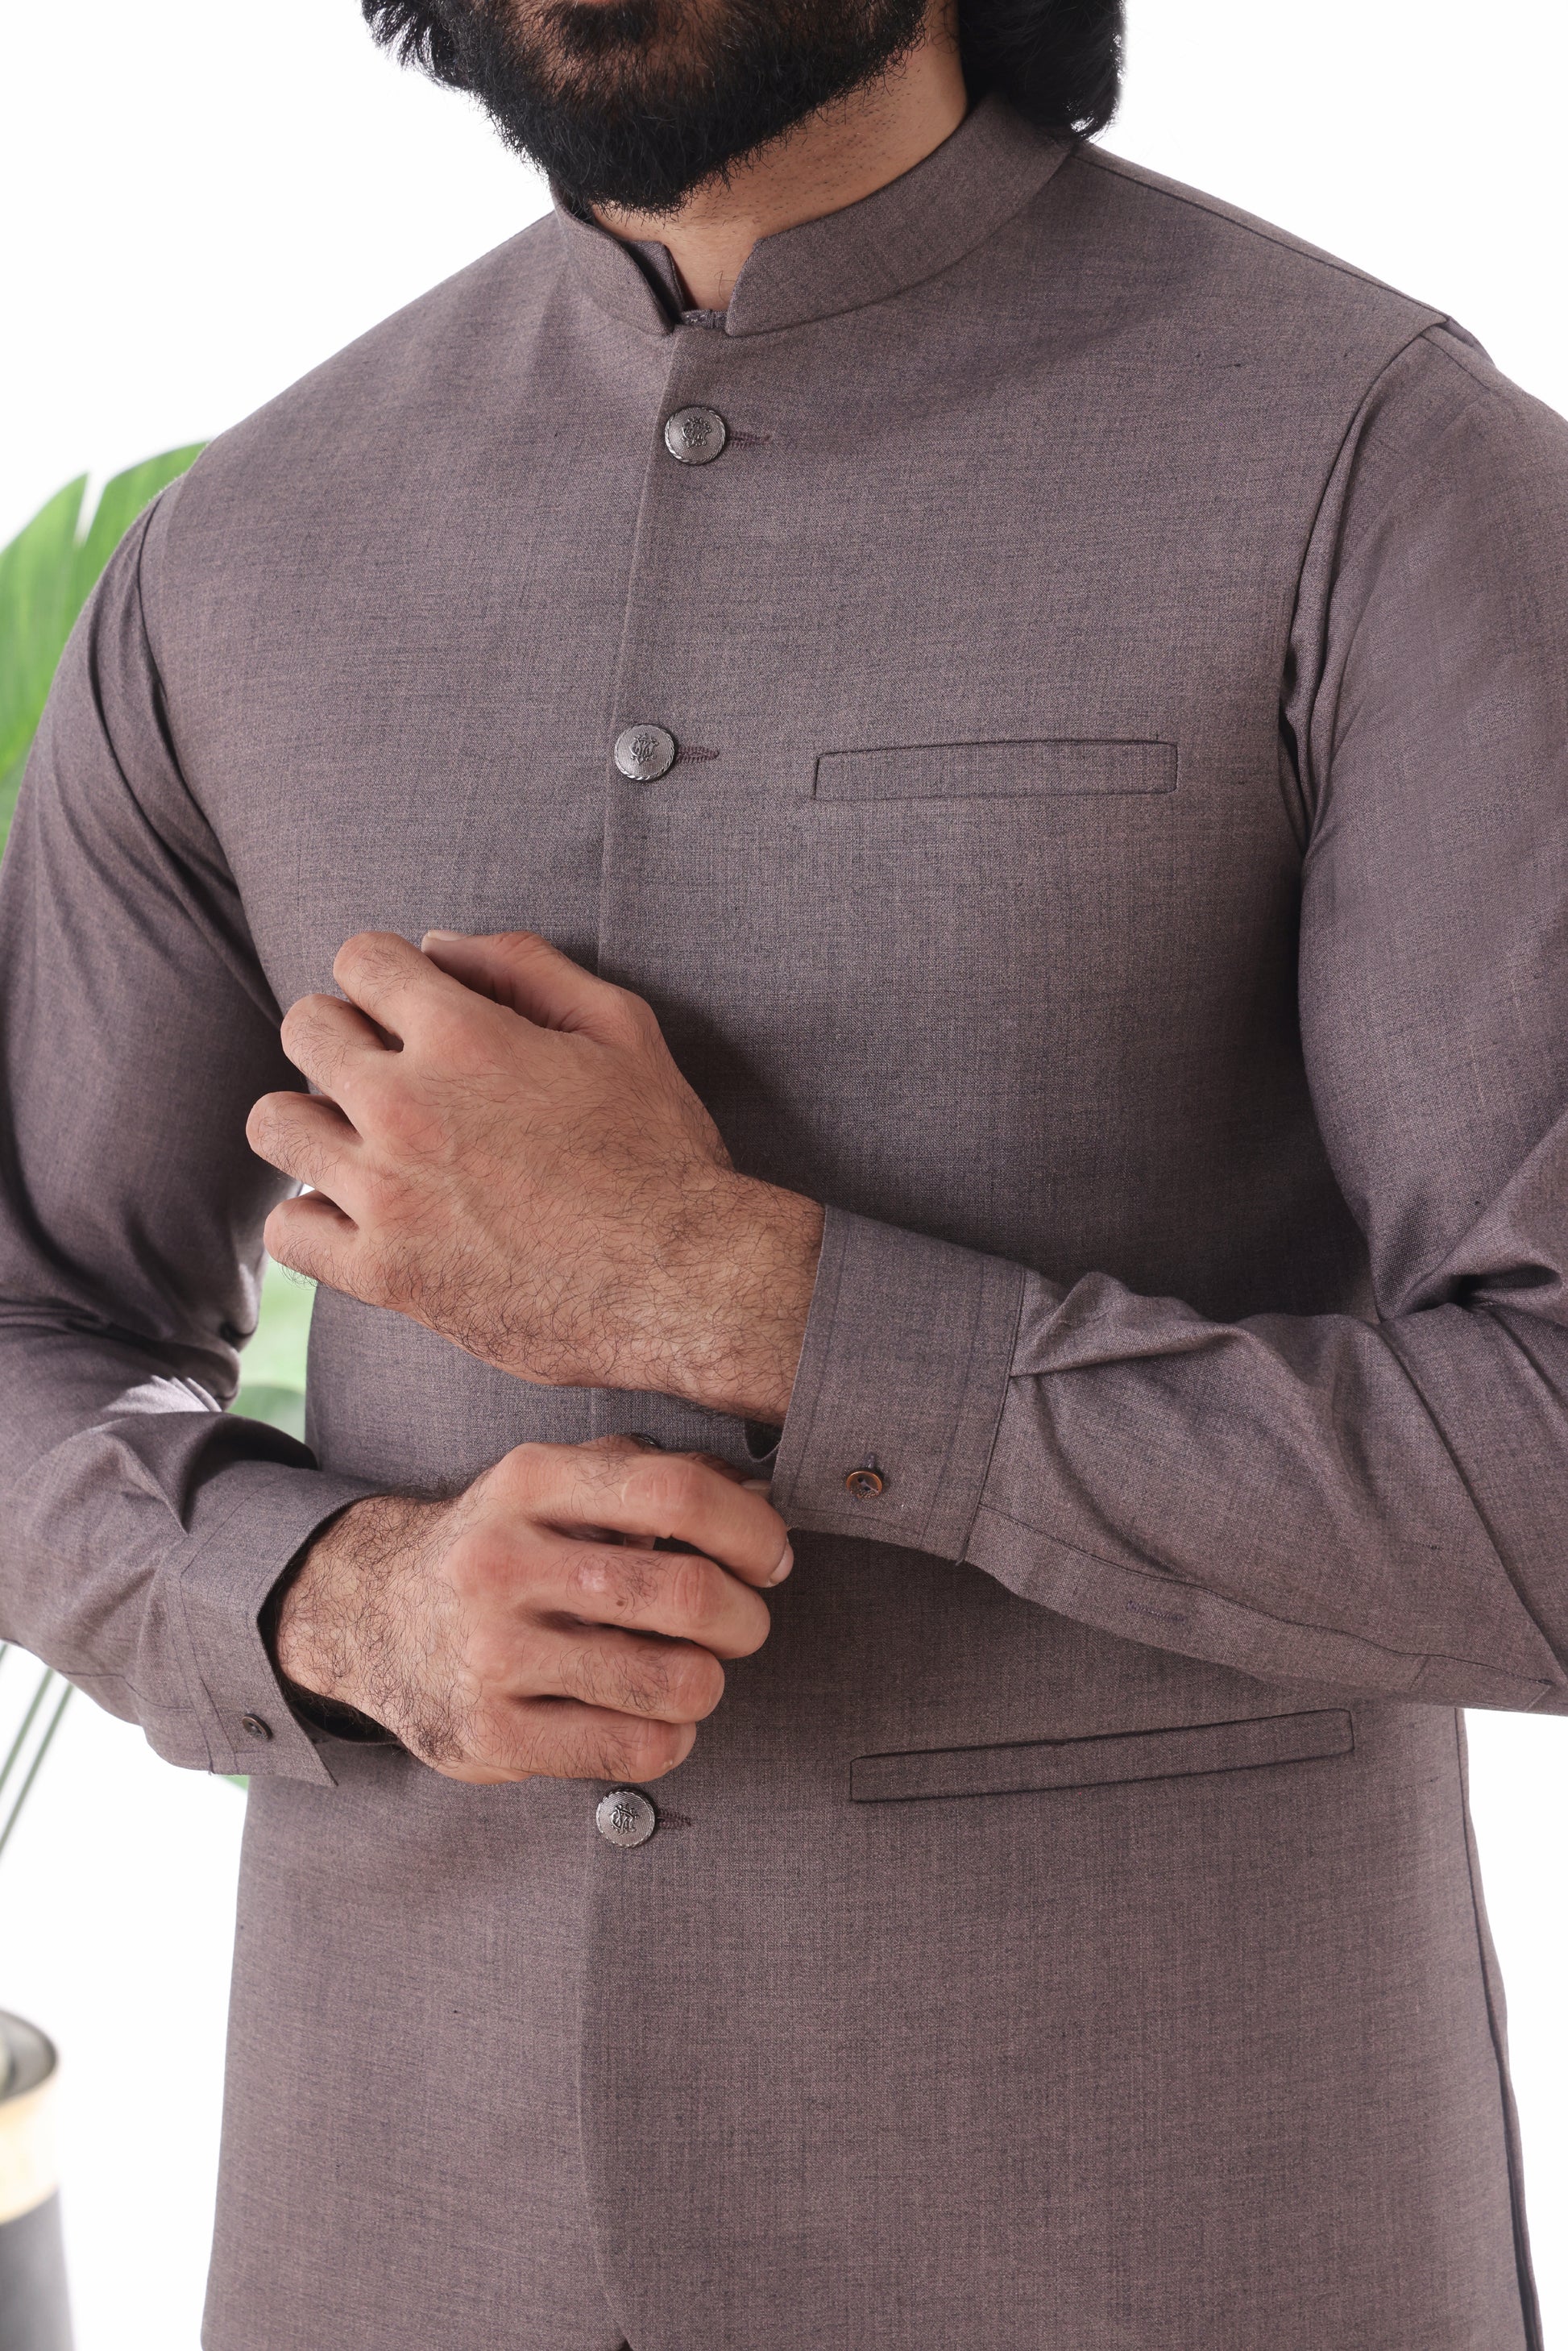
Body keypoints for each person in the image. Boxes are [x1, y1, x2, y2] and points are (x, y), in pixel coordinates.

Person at [0, 0, 1564, 2341]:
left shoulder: (1381, 472)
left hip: (1162, 2237)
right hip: (402, 2238)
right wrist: (333, 1600)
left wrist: (740, 1296)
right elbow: (26, 1323)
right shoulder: (240, 550)